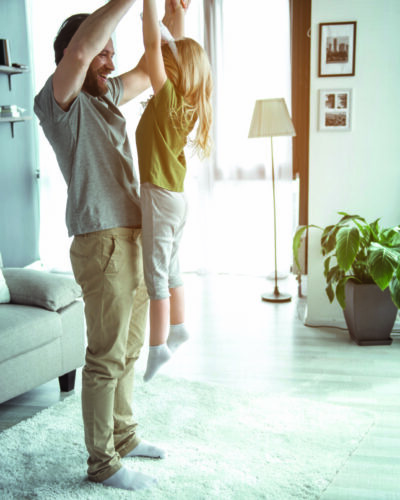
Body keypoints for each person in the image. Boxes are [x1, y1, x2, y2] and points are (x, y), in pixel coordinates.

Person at [34, 0, 188, 492]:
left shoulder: (106, 97)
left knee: (128, 349)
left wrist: (173, 21)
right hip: (101, 240)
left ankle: (123, 437)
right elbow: (80, 52)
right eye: (105, 52)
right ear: (72, 55)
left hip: (135, 233)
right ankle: (101, 463)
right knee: (105, 355)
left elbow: (152, 66)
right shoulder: (59, 101)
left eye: (111, 53)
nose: (110, 60)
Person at [136, 0, 212, 382]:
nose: (164, 55)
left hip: (159, 195)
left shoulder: (166, 98)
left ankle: (157, 349)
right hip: (176, 198)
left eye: (171, 56)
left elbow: (153, 46)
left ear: (175, 68)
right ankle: (178, 328)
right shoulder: (185, 103)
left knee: (155, 277)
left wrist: (150, 5)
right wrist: (168, 26)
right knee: (172, 268)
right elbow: (164, 43)